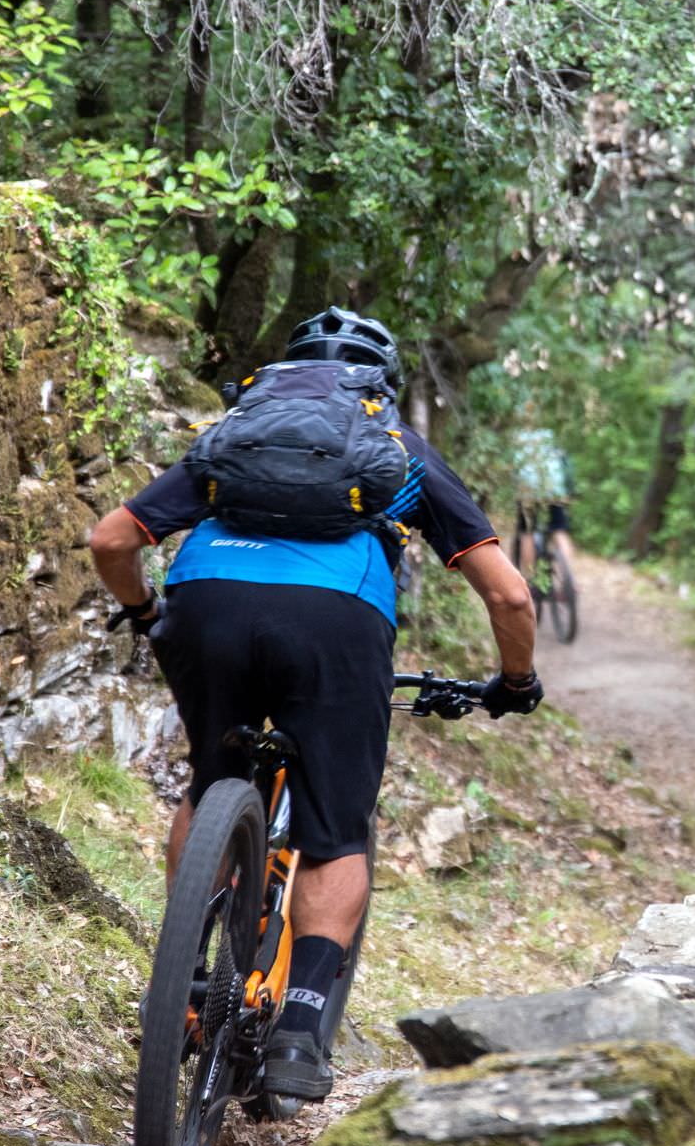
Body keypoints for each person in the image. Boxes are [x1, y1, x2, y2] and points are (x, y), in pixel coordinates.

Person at [87, 306, 541, 1101]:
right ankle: (299, 1029)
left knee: (208, 779)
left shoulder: (237, 431)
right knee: (335, 834)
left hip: (207, 603)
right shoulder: (397, 447)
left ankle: (186, 978)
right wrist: (515, 682)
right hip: (336, 622)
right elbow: (507, 595)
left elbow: (111, 542)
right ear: (381, 384)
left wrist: (145, 613)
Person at [511, 426, 576, 577]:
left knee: (527, 532)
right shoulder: (549, 437)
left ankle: (529, 577)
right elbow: (565, 466)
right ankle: (568, 578)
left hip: (528, 492)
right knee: (560, 530)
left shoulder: (519, 439)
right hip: (555, 491)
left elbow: (515, 471)